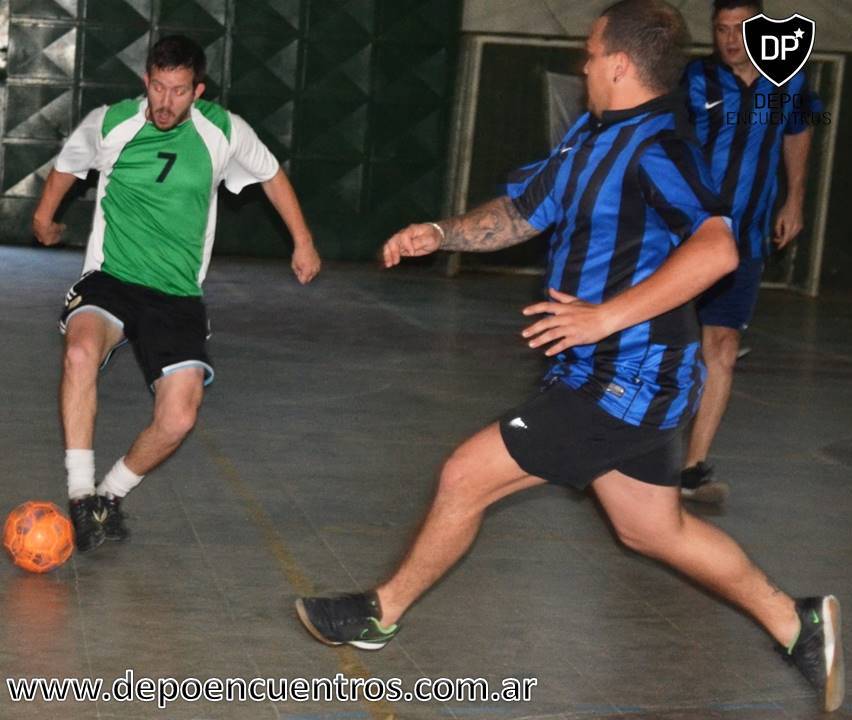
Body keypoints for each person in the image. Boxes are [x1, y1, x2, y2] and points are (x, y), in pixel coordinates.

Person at [295, 1, 843, 712]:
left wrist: (605, 317)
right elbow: (523, 212)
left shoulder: (660, 146)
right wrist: (440, 232)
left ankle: (380, 611)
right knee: (652, 529)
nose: (583, 65)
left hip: (628, 375)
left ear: (619, 64)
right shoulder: (591, 133)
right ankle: (798, 626)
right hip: (607, 372)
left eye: (590, 53)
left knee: (466, 475)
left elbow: (718, 248)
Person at [33, 35, 321, 553]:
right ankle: (79, 495)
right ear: (146, 81)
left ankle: (109, 497)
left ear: (198, 90)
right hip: (111, 278)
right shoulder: (111, 122)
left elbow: (272, 176)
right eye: (159, 88)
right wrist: (43, 218)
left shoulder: (224, 131)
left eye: (180, 91)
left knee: (179, 418)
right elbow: (68, 166)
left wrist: (302, 241)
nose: (166, 102)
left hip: (175, 294)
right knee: (79, 352)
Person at [679, 0, 821, 503]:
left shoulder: (789, 81)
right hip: (686, 237)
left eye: (740, 29)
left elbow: (798, 132)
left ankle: (692, 470)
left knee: (721, 348)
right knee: (659, 346)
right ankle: (619, 453)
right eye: (721, 29)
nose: (729, 39)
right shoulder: (694, 79)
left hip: (746, 239)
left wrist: (794, 199)